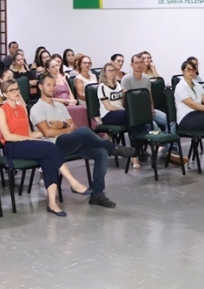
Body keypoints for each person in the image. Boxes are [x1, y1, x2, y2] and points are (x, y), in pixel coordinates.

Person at [30, 75, 136, 208]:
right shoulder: (36, 108)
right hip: (54, 146)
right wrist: (65, 128)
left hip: (71, 141)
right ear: (40, 87)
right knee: (85, 131)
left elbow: (72, 126)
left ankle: (97, 194)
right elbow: (47, 133)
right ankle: (112, 148)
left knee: (101, 152)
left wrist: (61, 125)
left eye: (53, 85)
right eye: (48, 85)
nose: (52, 88)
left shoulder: (60, 106)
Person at [0, 80, 92, 217]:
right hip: (12, 147)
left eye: (17, 89)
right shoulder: (1, 110)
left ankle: (52, 203)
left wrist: (49, 130)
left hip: (25, 143)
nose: (16, 92)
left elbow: (29, 134)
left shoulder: (22, 108)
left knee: (48, 158)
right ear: (5, 94)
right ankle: (73, 182)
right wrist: (29, 139)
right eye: (12, 90)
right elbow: (8, 136)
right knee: (49, 147)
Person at [121, 53, 184, 165]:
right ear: (131, 65)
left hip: (148, 109)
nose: (139, 65)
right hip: (136, 112)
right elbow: (126, 101)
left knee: (171, 120)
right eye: (136, 63)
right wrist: (144, 112)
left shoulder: (146, 79)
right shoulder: (126, 79)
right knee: (153, 125)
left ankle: (170, 148)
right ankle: (167, 148)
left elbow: (149, 96)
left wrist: (151, 108)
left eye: (141, 62)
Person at [44, 57, 89, 129]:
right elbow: (50, 99)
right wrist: (68, 101)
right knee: (82, 109)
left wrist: (72, 101)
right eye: (53, 67)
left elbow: (69, 92)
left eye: (57, 65)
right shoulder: (48, 81)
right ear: (48, 69)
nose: (56, 68)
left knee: (83, 109)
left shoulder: (63, 77)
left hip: (69, 103)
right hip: (58, 106)